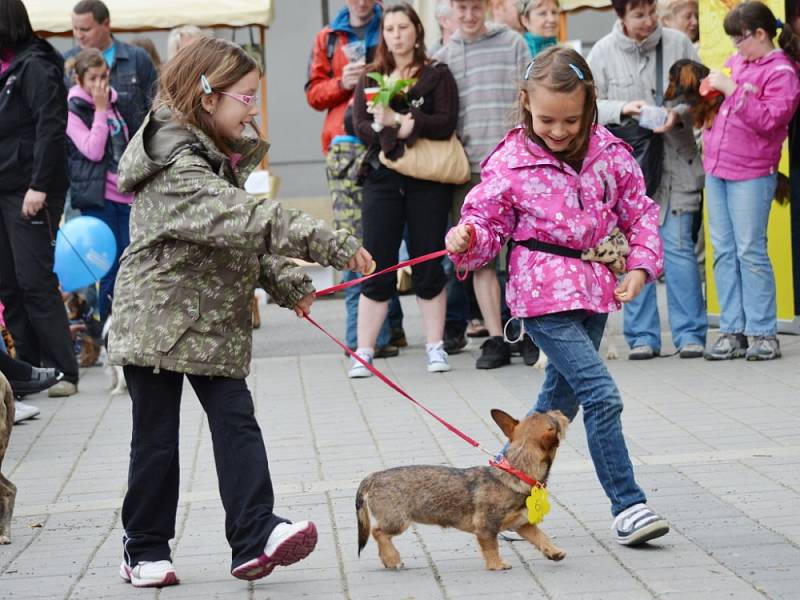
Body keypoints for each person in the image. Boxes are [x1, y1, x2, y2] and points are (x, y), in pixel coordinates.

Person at [107, 37, 372, 588]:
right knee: (156, 437)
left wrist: (286, 281)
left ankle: (254, 534)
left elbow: (234, 240)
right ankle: (145, 546)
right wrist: (328, 242)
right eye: (246, 98)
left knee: (235, 421)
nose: (253, 109)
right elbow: (243, 217)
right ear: (207, 98)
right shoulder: (177, 165)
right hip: (158, 321)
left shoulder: (209, 154)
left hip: (209, 324)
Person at [447, 46, 670, 546]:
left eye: (572, 119)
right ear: (525, 102)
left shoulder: (611, 153)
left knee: (552, 413)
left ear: (590, 105)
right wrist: (467, 237)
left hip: (594, 292)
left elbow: (640, 214)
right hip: (541, 297)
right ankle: (629, 505)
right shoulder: (509, 161)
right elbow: (484, 221)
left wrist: (638, 266)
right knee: (600, 394)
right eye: (547, 118)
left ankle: (503, 501)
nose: (560, 130)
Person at [588, 0, 707, 360]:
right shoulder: (602, 52)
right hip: (630, 168)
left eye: (651, 12)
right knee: (632, 252)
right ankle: (642, 337)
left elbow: (700, 95)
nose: (648, 22)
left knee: (679, 247)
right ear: (620, 16)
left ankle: (690, 333)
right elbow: (589, 105)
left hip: (677, 161)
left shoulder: (678, 42)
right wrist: (623, 109)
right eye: (638, 15)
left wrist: (676, 114)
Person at [349, 3, 458, 377]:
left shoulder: (437, 74)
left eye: (403, 27)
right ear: (384, 35)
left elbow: (447, 121)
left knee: (428, 259)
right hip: (382, 177)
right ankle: (363, 351)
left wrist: (414, 124)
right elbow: (358, 123)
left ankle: (435, 346)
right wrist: (390, 131)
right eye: (390, 29)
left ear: (417, 31)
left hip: (426, 180)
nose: (396, 35)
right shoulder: (371, 76)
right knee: (377, 258)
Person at [435, 0, 533, 369]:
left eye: (476, 7)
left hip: (516, 165)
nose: (470, 15)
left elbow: (529, 98)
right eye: (462, 8)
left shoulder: (513, 43)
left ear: (488, 7)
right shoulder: (444, 56)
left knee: (522, 255)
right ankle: (496, 338)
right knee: (482, 259)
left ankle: (525, 333)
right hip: (472, 170)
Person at [702, 1, 800, 361]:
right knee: (724, 251)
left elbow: (772, 119)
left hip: (753, 172)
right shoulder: (741, 61)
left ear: (760, 34)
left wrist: (733, 90)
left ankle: (763, 333)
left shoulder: (783, 72)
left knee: (750, 251)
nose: (736, 47)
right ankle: (732, 329)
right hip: (717, 168)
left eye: (740, 39)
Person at [305, 0, 403, 357]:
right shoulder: (328, 38)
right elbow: (313, 94)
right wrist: (340, 83)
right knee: (354, 240)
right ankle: (359, 339)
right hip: (345, 145)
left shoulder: (392, 25)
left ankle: (389, 330)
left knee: (386, 238)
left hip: (388, 143)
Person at [0, 0, 80, 398]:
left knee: (35, 281)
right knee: (9, 285)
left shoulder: (35, 65)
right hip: (4, 188)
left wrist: (39, 186)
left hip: (29, 191)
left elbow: (51, 127)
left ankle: (64, 370)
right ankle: (28, 372)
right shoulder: (7, 68)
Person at [65, 48, 133, 326]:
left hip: (127, 194)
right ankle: (109, 334)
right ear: (79, 80)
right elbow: (92, 150)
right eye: (93, 78)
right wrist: (101, 110)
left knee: (129, 266)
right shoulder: (73, 110)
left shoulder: (117, 103)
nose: (100, 84)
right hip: (100, 198)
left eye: (104, 76)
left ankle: (128, 327)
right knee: (108, 269)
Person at [65, 0, 157, 138]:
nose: (79, 35)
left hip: (132, 153)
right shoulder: (67, 62)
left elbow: (156, 107)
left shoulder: (137, 58)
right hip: (85, 156)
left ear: (106, 24)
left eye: (85, 29)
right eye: (75, 28)